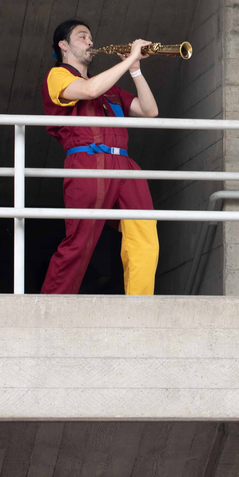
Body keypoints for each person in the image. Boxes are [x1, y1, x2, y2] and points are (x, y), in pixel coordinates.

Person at [40, 19, 160, 295]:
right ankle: (52, 304)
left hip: (124, 165)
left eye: (91, 37)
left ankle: (140, 306)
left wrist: (135, 70)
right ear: (63, 45)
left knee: (144, 234)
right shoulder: (58, 75)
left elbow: (149, 110)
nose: (90, 42)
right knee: (80, 241)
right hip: (87, 162)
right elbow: (89, 90)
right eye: (82, 37)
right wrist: (128, 57)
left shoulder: (111, 87)